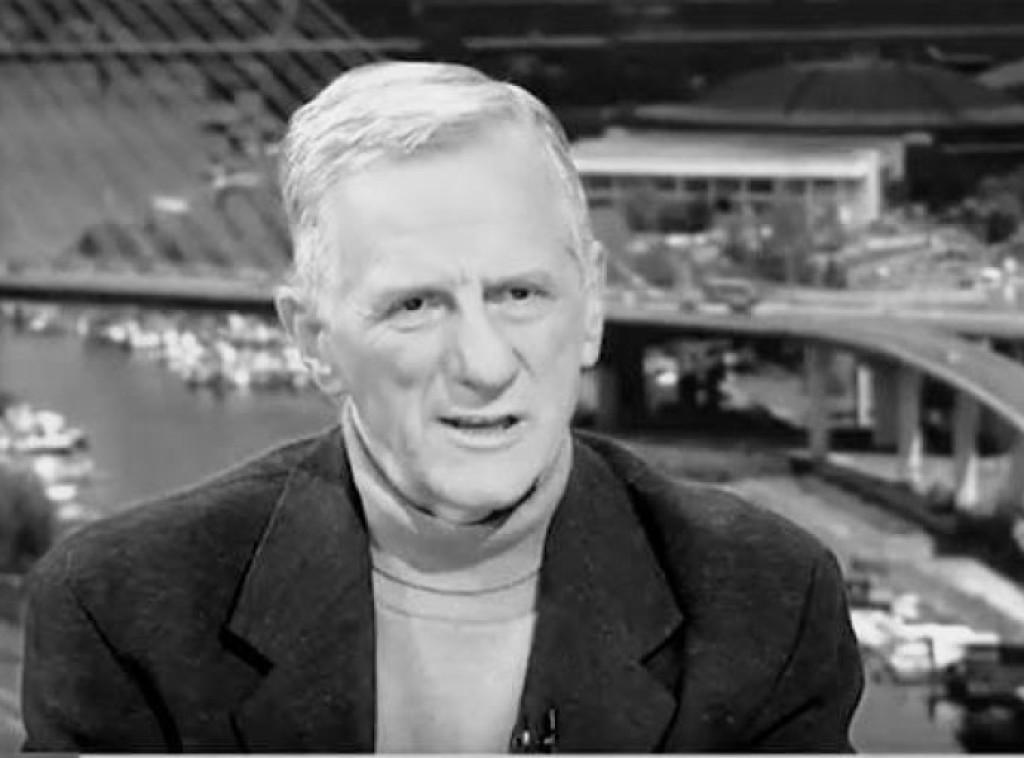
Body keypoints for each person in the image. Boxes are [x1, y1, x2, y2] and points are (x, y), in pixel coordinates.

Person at [20, 61, 864, 753]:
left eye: (520, 293)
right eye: (416, 305)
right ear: (314, 340)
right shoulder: (127, 615)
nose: (484, 365)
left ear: (593, 307)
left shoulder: (763, 602)